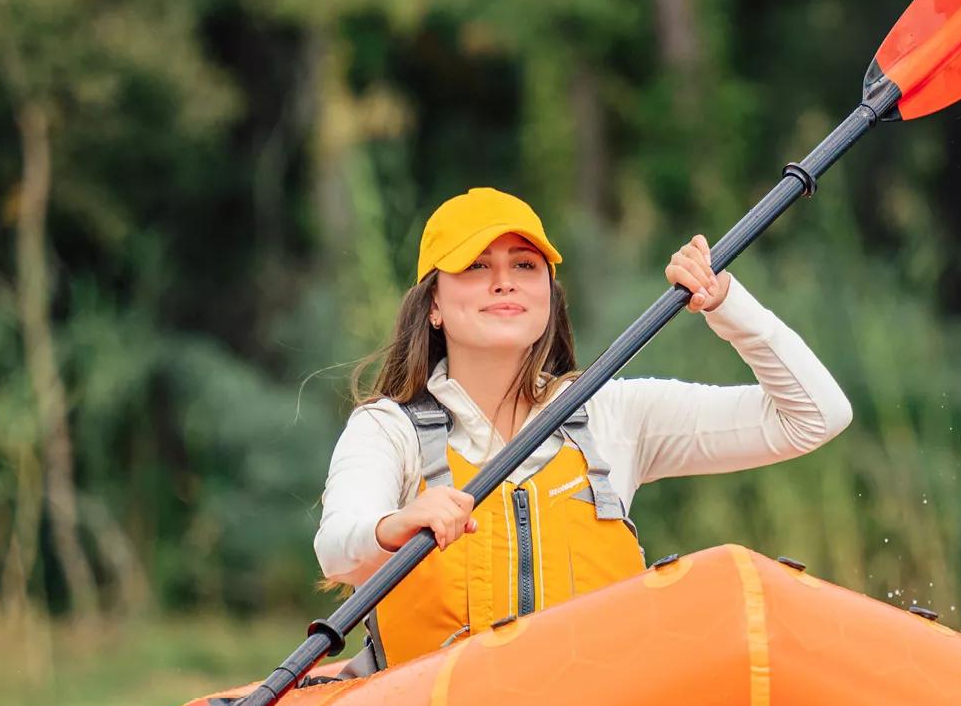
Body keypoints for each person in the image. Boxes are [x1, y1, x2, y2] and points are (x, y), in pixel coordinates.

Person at [315, 186, 853, 666]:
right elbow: (337, 548)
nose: (504, 283)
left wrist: (727, 305)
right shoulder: (388, 429)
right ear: (433, 303)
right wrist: (396, 525)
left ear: (549, 292)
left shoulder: (613, 414)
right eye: (477, 267)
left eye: (525, 266)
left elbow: (813, 417)